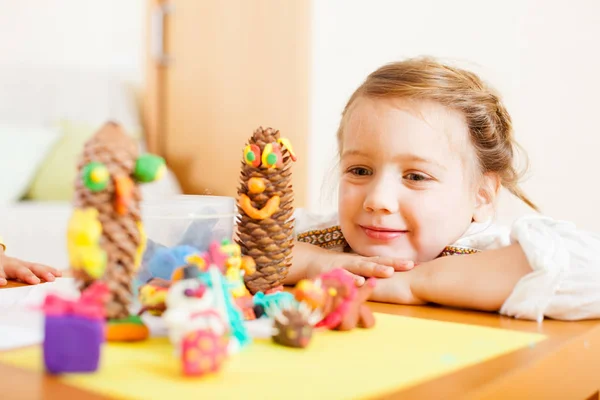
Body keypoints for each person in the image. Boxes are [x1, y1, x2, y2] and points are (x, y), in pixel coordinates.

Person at [285, 57, 600, 322]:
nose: (378, 200)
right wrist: (317, 263)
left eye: (416, 176)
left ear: (481, 196)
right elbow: (241, 237)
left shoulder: (495, 250)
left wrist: (416, 282)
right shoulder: (325, 240)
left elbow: (590, 272)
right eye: (360, 170)